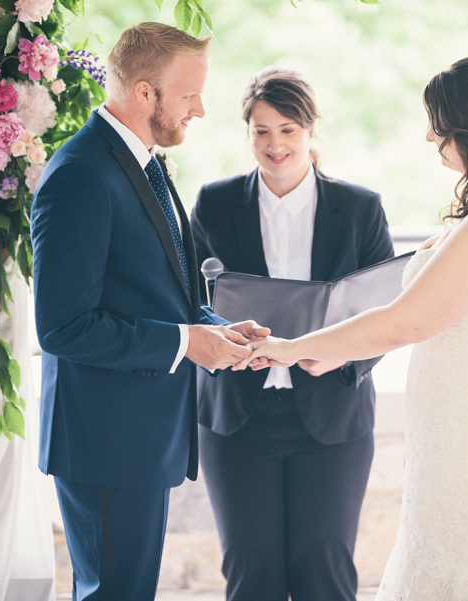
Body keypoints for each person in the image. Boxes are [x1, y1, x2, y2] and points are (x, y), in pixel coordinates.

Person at [240, 57, 468, 599]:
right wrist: (339, 349)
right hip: (462, 429)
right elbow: (444, 315)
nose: (429, 137)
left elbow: (406, 321)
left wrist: (289, 346)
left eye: (438, 125)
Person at [30, 23, 269, 601]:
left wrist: (213, 328)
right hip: (106, 439)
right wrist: (187, 344)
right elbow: (63, 327)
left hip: (135, 438)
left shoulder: (142, 160)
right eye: (189, 96)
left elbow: (154, 288)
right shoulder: (82, 175)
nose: (202, 110)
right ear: (144, 93)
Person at [189, 66, 394, 601]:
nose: (274, 144)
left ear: (310, 130)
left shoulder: (359, 208)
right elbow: (187, 299)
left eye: (287, 130)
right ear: (247, 134)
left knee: (323, 574)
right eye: (261, 131)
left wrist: (342, 358)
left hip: (332, 416)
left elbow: (387, 310)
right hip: (236, 418)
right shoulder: (213, 202)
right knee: (249, 574)